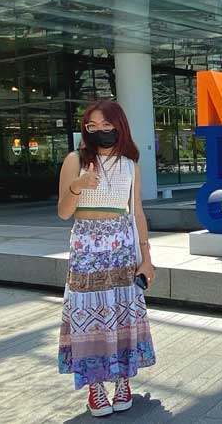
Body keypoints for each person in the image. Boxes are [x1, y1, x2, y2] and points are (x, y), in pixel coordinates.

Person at [56, 100, 157, 417]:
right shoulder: (75, 160)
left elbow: (136, 211)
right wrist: (77, 185)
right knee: (88, 315)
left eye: (106, 125)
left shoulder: (130, 164)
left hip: (122, 247)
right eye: (92, 126)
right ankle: (95, 386)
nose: (99, 131)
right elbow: (63, 212)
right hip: (86, 246)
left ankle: (123, 381)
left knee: (122, 312)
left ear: (119, 126)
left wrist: (147, 257)